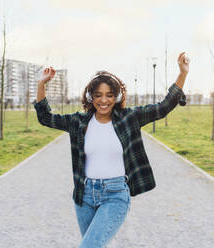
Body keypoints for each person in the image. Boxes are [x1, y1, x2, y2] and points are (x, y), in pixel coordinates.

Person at [34, 52, 189, 247]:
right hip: (84, 196)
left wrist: (182, 73)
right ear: (90, 97)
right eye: (98, 95)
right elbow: (45, 117)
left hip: (115, 195)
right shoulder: (78, 122)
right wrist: (41, 84)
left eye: (109, 95)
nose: (104, 100)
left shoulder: (129, 118)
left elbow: (164, 107)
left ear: (116, 96)